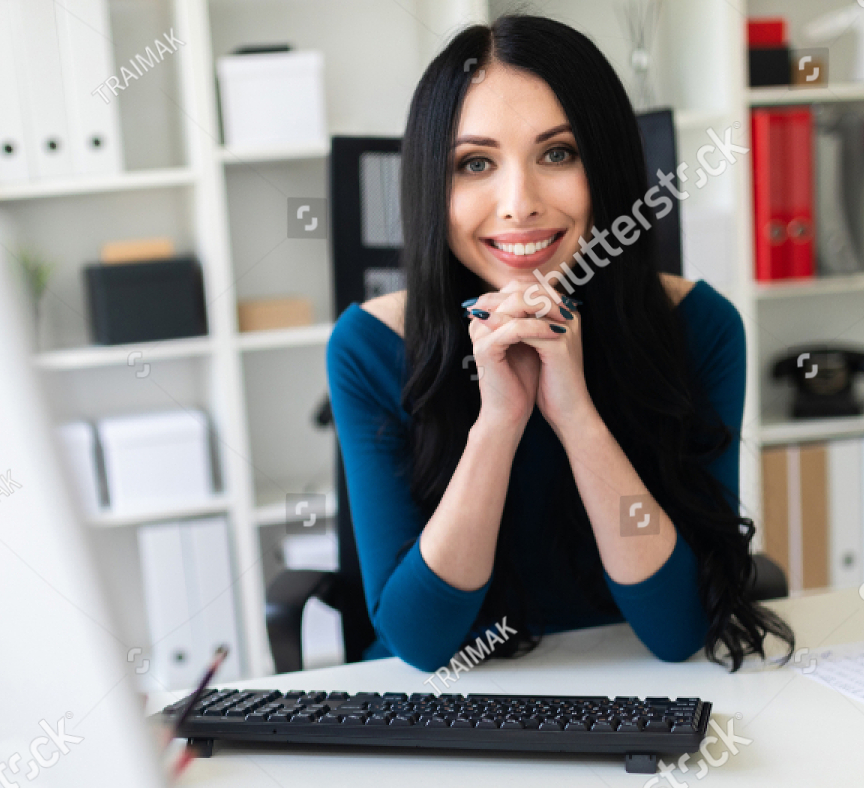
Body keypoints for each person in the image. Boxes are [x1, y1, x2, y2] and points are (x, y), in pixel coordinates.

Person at [325, 14, 793, 673]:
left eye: (558, 153)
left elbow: (678, 629)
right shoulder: (370, 346)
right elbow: (422, 644)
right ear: (435, 184)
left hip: (634, 691)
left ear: (609, 165)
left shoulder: (702, 328)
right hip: (453, 715)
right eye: (476, 163)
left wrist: (575, 417)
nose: (518, 203)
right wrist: (499, 423)